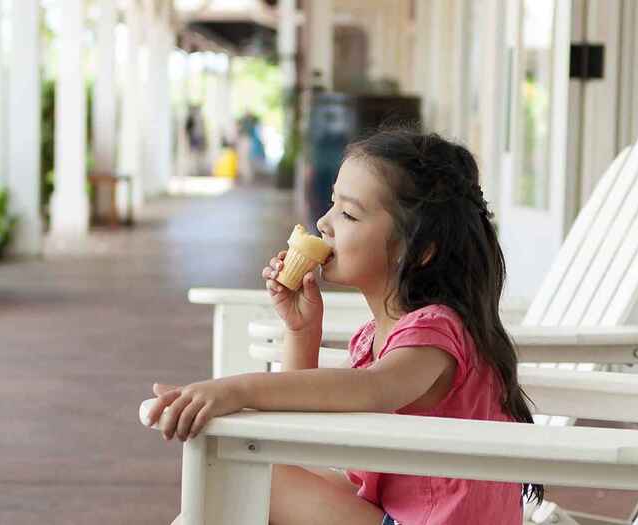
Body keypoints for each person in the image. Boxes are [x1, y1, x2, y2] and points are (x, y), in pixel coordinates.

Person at [145, 126, 544, 524]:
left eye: (349, 214)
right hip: (396, 512)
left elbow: (373, 390)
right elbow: (303, 422)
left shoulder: (434, 333)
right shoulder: (379, 335)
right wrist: (302, 331)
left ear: (419, 250)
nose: (323, 222)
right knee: (250, 471)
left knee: (245, 478)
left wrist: (234, 390)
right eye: (333, 204)